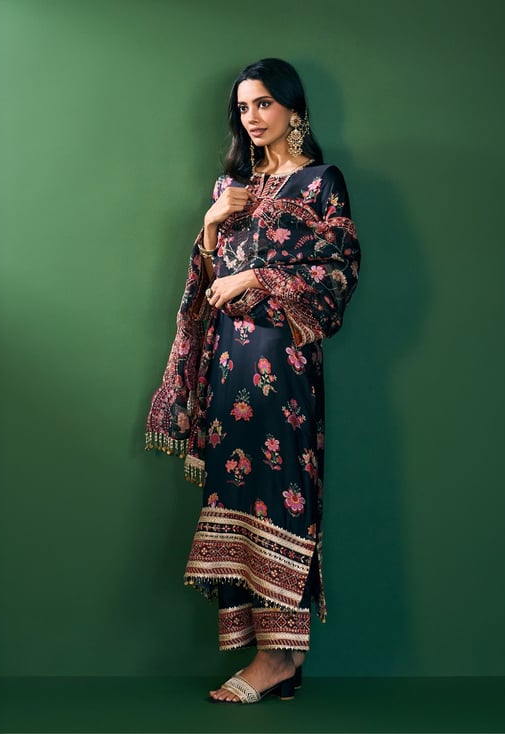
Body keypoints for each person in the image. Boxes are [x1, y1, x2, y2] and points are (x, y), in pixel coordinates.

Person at [145, 58, 360, 704]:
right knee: (236, 498)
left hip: (283, 368)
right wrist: (213, 222)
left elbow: (339, 273)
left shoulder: (322, 183)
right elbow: (208, 284)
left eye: (264, 103)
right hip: (227, 368)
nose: (252, 117)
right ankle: (269, 658)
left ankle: (280, 658)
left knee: (283, 495)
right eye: (243, 107)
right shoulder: (231, 187)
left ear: (295, 109)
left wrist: (256, 278)